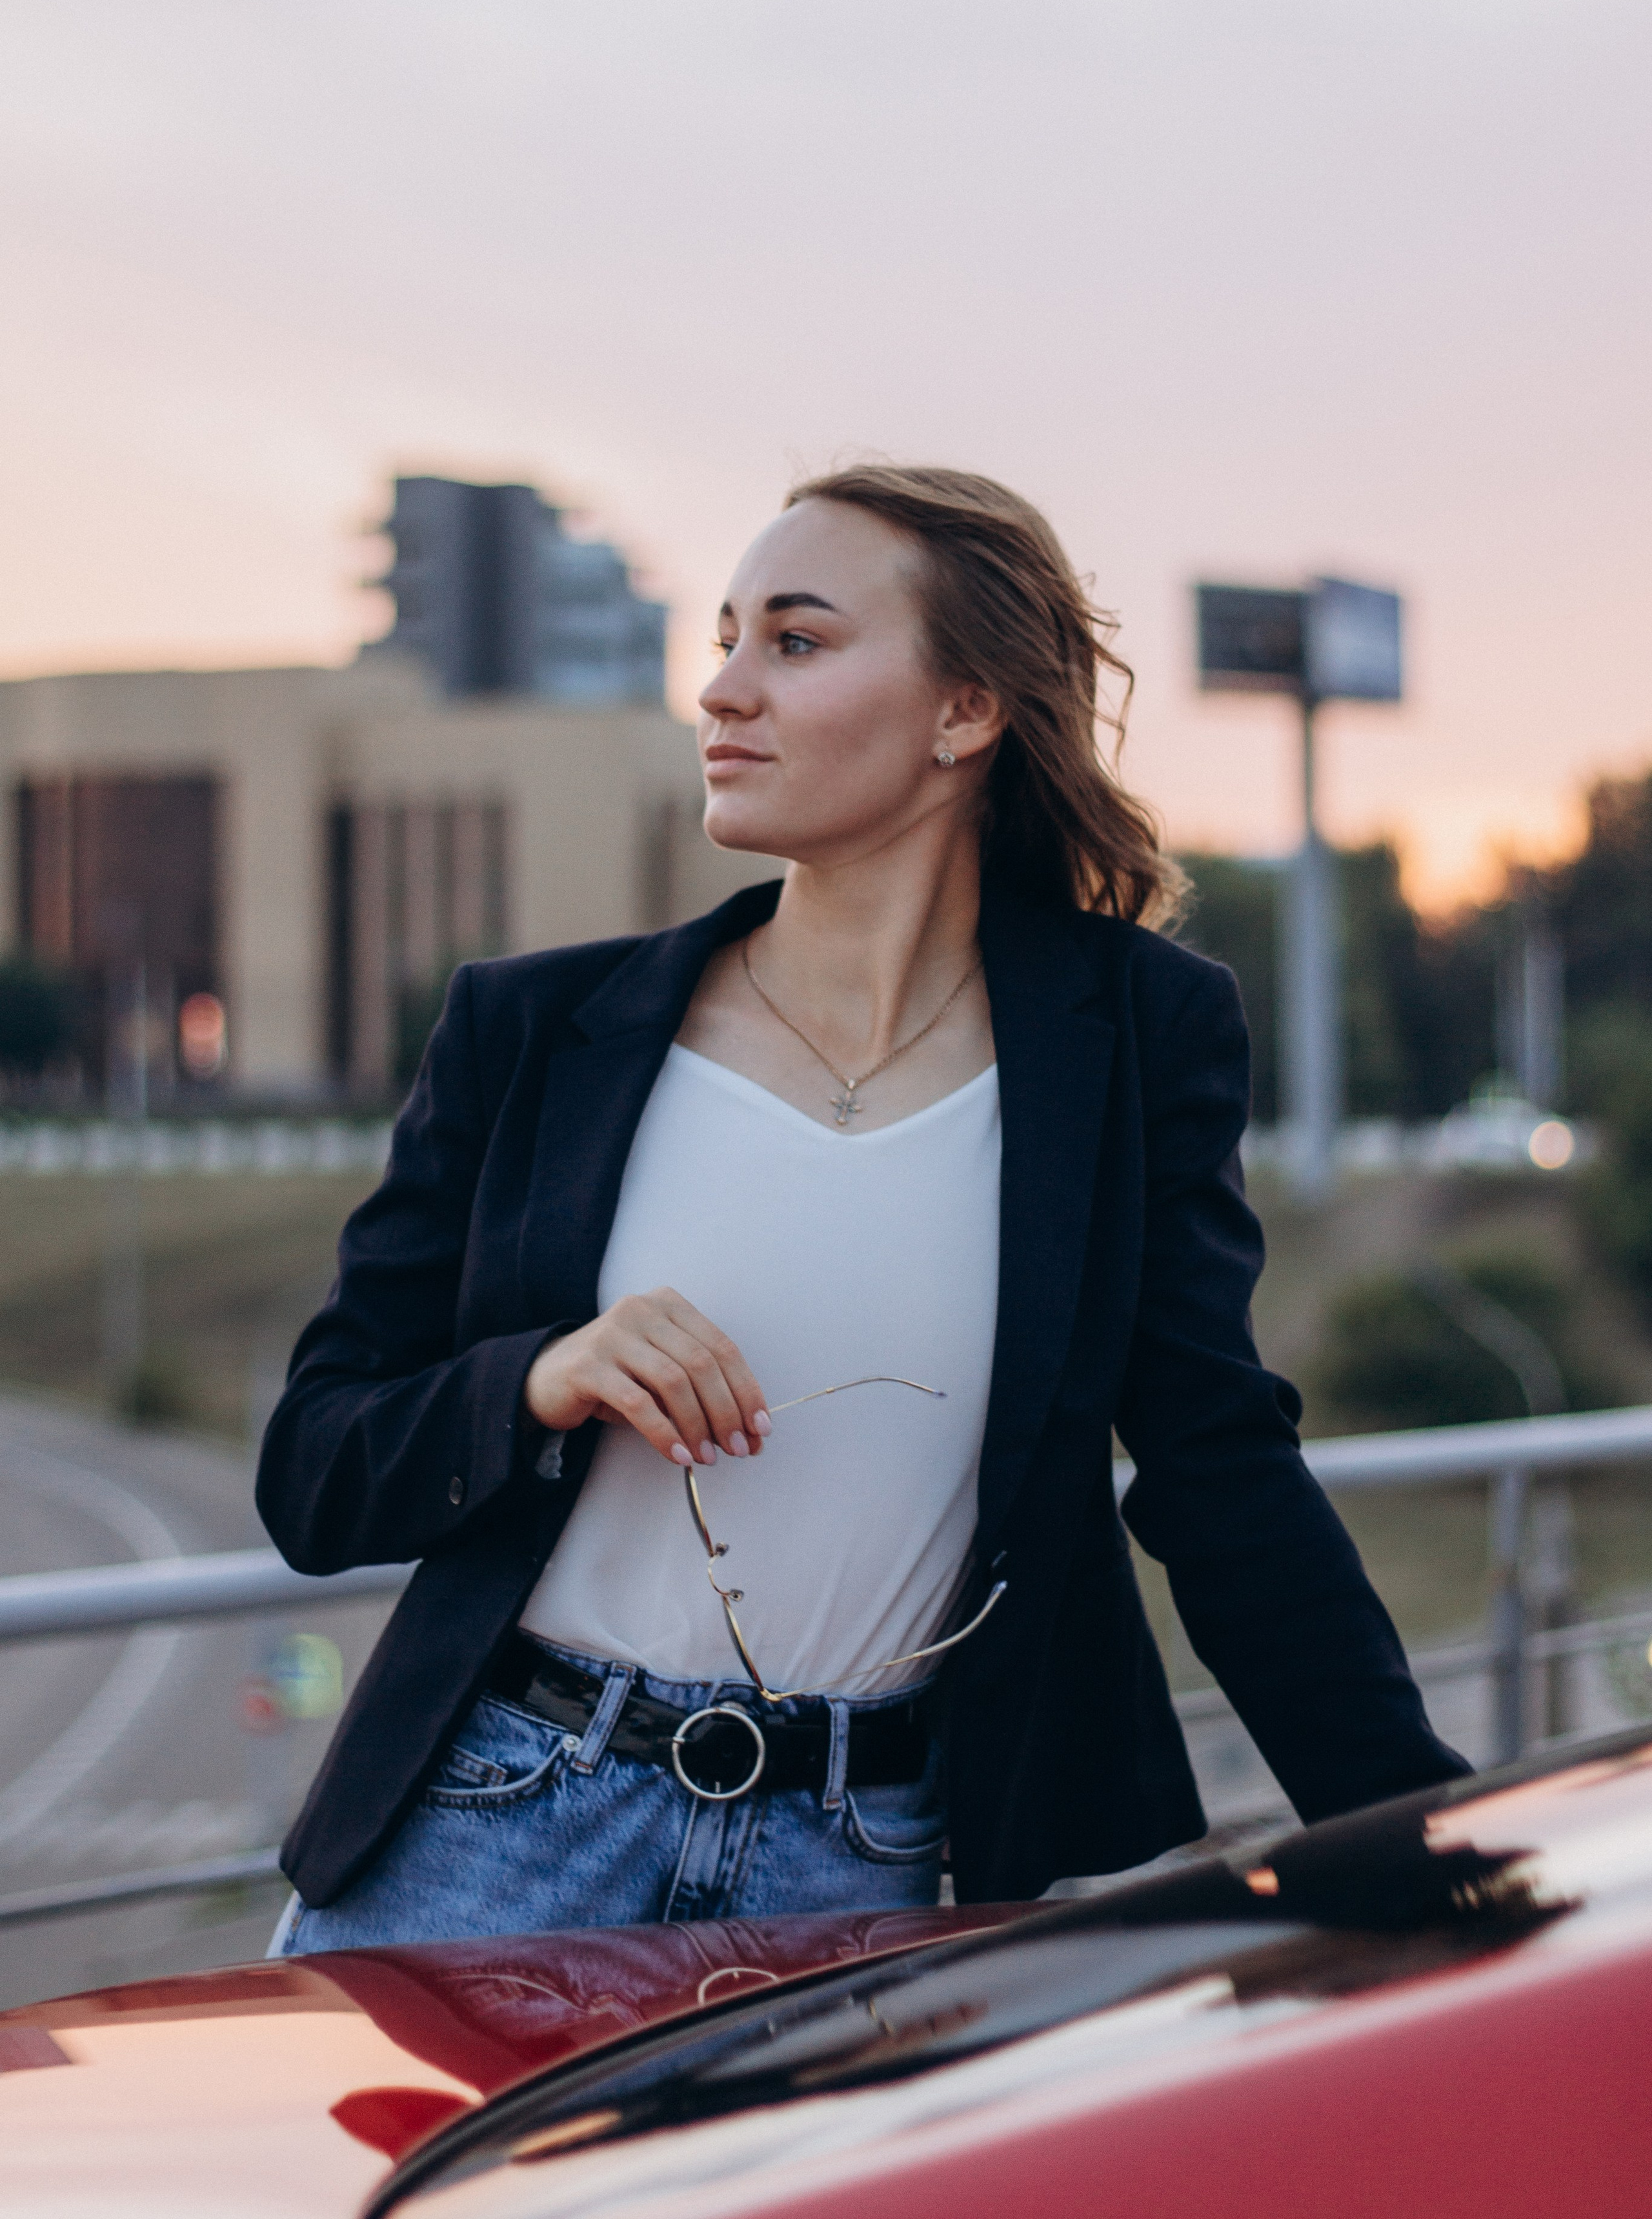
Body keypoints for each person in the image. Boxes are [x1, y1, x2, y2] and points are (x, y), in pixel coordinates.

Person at [259, 463, 1466, 1953]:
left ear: (965, 713)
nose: (720, 690)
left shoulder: (1136, 1039)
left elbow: (1218, 1465)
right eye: (722, 637)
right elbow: (312, 1468)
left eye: (796, 640)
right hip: (490, 1828)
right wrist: (541, 1378)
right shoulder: (529, 1032)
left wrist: (1424, 1833)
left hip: (867, 1862)